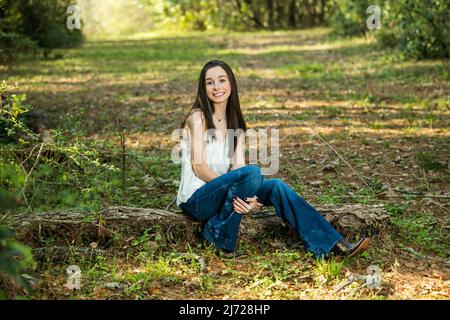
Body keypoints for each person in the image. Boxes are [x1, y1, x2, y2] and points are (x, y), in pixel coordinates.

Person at [176, 59, 370, 259]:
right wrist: (237, 194)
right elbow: (199, 167)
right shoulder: (197, 119)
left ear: (231, 84)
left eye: (221, 80)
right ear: (203, 87)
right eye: (210, 82)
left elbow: (238, 169)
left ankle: (332, 244)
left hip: (226, 195)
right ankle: (221, 235)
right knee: (253, 173)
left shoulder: (235, 124)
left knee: (276, 185)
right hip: (197, 200)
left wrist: (248, 196)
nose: (216, 87)